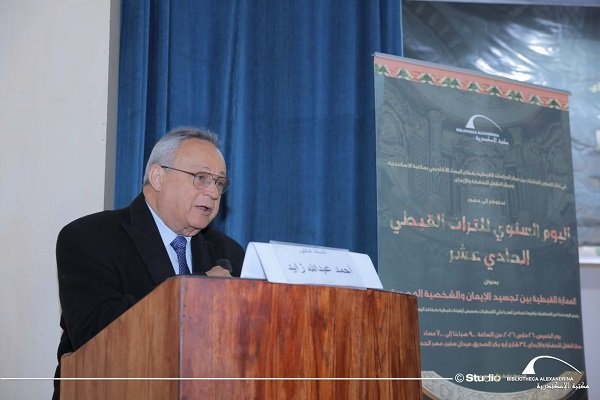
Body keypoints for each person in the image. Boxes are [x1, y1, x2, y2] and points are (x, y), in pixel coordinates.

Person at [52, 127, 244, 399]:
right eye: (201, 178)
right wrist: (198, 290)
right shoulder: (90, 237)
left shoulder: (229, 253)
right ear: (158, 177)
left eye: (219, 183)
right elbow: (95, 330)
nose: (213, 192)